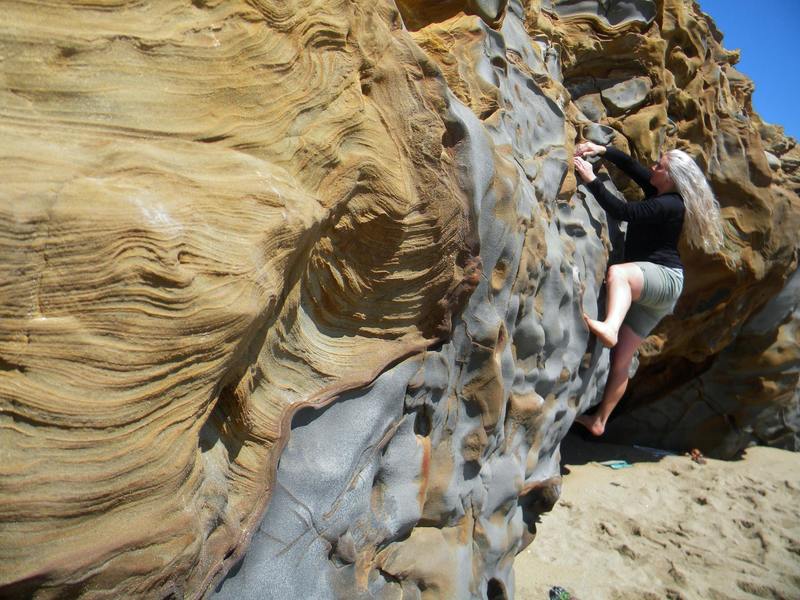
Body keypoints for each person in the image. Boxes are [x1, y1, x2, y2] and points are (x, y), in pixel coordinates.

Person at [572, 140, 724, 436]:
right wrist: (601, 149)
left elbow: (623, 211)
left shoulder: (669, 204)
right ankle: (600, 421)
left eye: (659, 165)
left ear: (670, 176)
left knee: (619, 274)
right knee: (622, 360)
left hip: (662, 279)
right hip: (659, 288)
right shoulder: (660, 190)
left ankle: (610, 328)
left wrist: (590, 178)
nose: (652, 167)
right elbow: (631, 167)